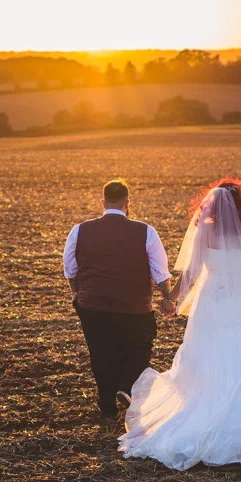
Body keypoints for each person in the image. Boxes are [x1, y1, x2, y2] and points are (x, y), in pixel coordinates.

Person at [119, 178, 241, 468]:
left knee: (215, 356)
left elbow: (192, 273)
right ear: (240, 203)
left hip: (214, 303)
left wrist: (171, 299)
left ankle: (213, 405)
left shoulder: (206, 231)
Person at [63, 178, 174, 418]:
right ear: (127, 202)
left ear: (102, 202)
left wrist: (76, 293)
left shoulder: (80, 230)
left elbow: (70, 269)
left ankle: (107, 403)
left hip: (93, 305)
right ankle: (126, 386)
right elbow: (160, 272)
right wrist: (168, 298)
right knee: (140, 347)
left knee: (100, 351)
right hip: (134, 306)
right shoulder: (146, 231)